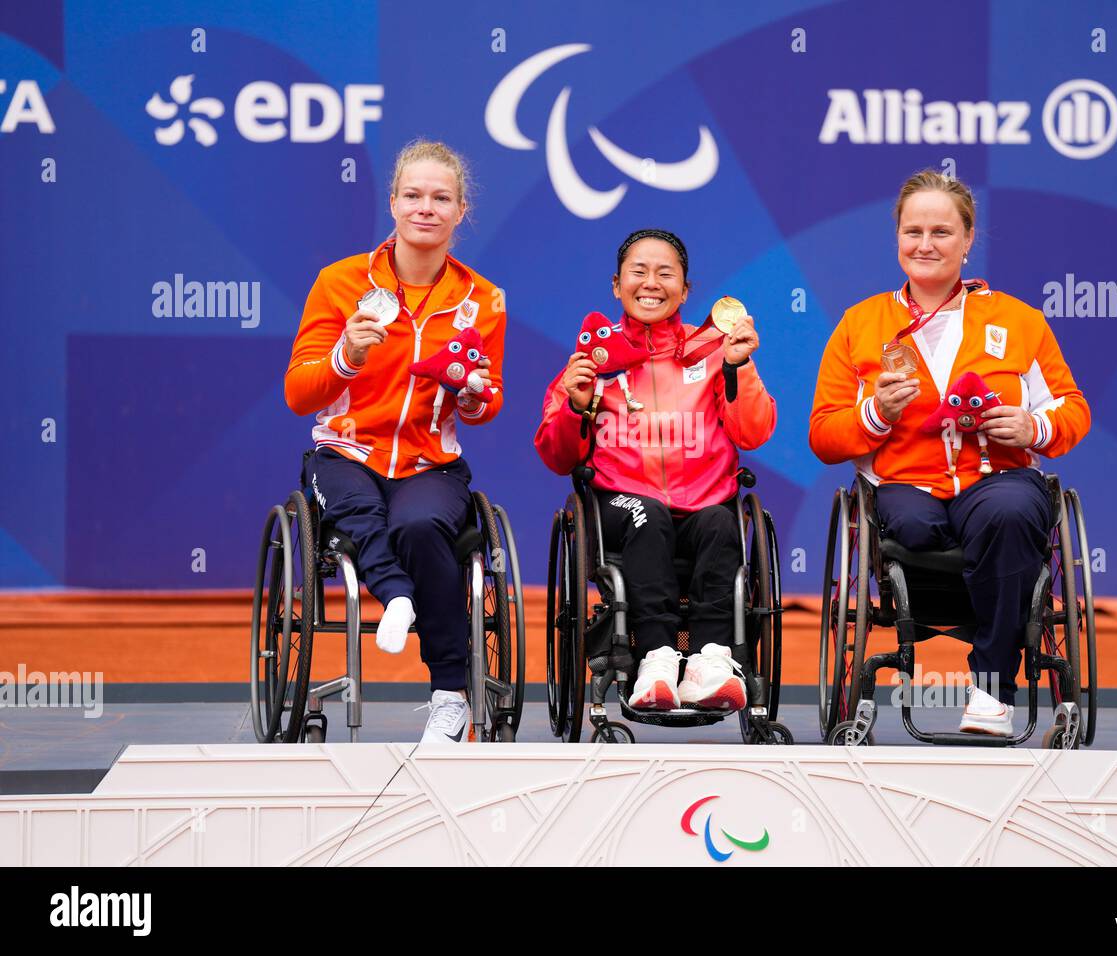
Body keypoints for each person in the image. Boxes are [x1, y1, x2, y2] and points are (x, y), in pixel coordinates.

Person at [809, 169, 1090, 736]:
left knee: (1007, 514)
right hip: (907, 486)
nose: (926, 244)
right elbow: (823, 434)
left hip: (997, 480)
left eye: (942, 231)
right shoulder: (860, 326)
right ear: (897, 240)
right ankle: (987, 591)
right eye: (913, 231)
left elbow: (1073, 410)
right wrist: (876, 416)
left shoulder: (1018, 321)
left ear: (967, 240)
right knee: (911, 527)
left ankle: (991, 689)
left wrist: (1032, 425)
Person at [284, 140, 505, 745]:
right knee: (355, 504)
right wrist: (347, 356)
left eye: (440, 198)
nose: (425, 208)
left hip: (429, 463)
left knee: (420, 526)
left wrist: (472, 396)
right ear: (393, 203)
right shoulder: (341, 283)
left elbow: (486, 403)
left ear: (461, 211)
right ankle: (397, 593)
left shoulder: (481, 300)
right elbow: (300, 393)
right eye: (413, 195)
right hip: (347, 450)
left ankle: (449, 695)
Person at [535, 229, 776, 712]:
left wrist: (739, 367)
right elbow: (557, 456)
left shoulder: (715, 350)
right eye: (638, 271)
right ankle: (656, 657)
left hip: (702, 504)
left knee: (721, 522)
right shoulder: (593, 360)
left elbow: (754, 432)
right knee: (648, 515)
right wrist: (576, 407)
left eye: (665, 273)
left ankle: (711, 659)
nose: (651, 282)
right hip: (621, 507)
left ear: (686, 290)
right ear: (616, 285)